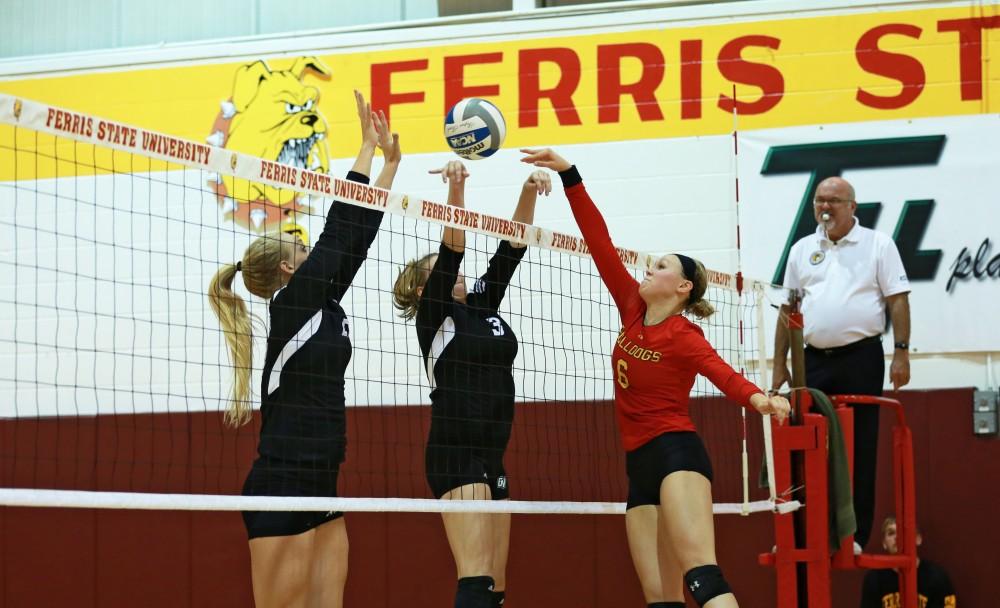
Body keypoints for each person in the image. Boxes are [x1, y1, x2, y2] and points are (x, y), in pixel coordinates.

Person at [520, 147, 790, 608]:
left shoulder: (684, 335)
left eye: (662, 265)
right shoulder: (632, 305)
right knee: (661, 601)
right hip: (638, 464)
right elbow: (599, 241)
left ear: (683, 287)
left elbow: (722, 374)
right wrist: (570, 174)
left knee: (702, 578)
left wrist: (761, 400)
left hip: (676, 454)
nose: (650, 268)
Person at [207, 90, 400, 608]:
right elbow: (340, 231)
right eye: (302, 245)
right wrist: (362, 150)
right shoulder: (292, 305)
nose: (311, 247)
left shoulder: (320, 305)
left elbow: (356, 238)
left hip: (322, 479)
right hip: (282, 482)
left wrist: (390, 167)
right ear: (290, 268)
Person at [392, 160, 548, 608]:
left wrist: (528, 190)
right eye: (442, 272)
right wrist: (457, 189)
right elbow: (453, 251)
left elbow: (511, 248)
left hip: (492, 453)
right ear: (427, 287)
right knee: (475, 579)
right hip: (455, 453)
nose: (458, 273)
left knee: (497, 588)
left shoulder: (482, 306)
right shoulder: (434, 315)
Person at [771, 176, 911, 551]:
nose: (825, 207)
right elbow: (788, 309)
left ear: (853, 207)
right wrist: (779, 363)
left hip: (860, 357)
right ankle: (805, 531)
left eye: (834, 201)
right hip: (811, 360)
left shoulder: (878, 245)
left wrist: (901, 352)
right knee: (806, 443)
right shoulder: (802, 249)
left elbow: (898, 300)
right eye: (820, 201)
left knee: (860, 446)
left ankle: (855, 536)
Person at [860, 516, 957, 607]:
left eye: (903, 532)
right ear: (884, 543)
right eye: (891, 533)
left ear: (918, 539)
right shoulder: (874, 579)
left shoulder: (936, 578)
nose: (897, 537)